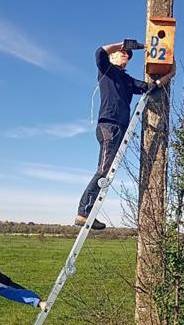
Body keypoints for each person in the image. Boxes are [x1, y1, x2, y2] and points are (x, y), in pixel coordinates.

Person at [75, 40, 175, 230]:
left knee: (107, 170)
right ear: (112, 56)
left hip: (120, 128)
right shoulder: (107, 72)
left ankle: (87, 212)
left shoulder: (127, 80)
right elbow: (99, 52)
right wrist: (126, 43)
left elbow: (151, 87)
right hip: (109, 126)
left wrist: (170, 74)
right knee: (103, 170)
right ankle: (83, 212)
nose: (126, 56)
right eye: (122, 53)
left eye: (128, 55)